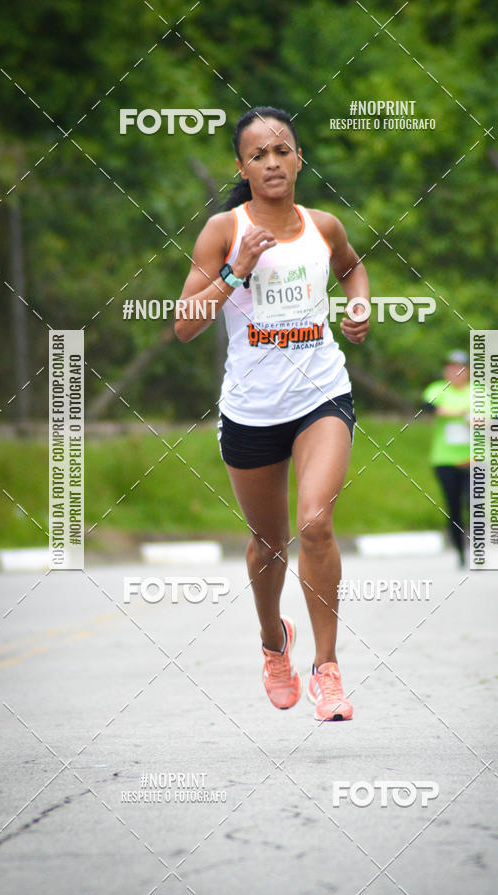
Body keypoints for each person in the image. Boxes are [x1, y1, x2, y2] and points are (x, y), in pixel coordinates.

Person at [174, 106, 369, 721]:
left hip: (321, 396)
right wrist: (237, 271)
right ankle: (273, 643)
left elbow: (353, 268)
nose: (272, 162)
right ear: (242, 166)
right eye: (257, 155)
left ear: (299, 158)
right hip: (252, 410)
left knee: (314, 524)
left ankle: (328, 669)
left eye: (281, 150)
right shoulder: (223, 230)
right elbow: (183, 324)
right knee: (268, 544)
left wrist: (358, 306)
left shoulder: (325, 225)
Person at [422, 351, 471, 566]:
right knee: (454, 506)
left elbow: (491, 418)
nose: (454, 373)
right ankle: (460, 552)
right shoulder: (438, 388)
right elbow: (430, 406)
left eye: (458, 368)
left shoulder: (479, 392)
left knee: (475, 504)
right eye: (450, 368)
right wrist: (461, 412)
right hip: (445, 459)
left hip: (474, 458)